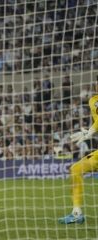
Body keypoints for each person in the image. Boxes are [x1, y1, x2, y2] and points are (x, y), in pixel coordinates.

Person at [58, 83, 98, 224]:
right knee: (76, 169)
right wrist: (88, 132)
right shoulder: (93, 101)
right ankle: (76, 213)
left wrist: (90, 131)